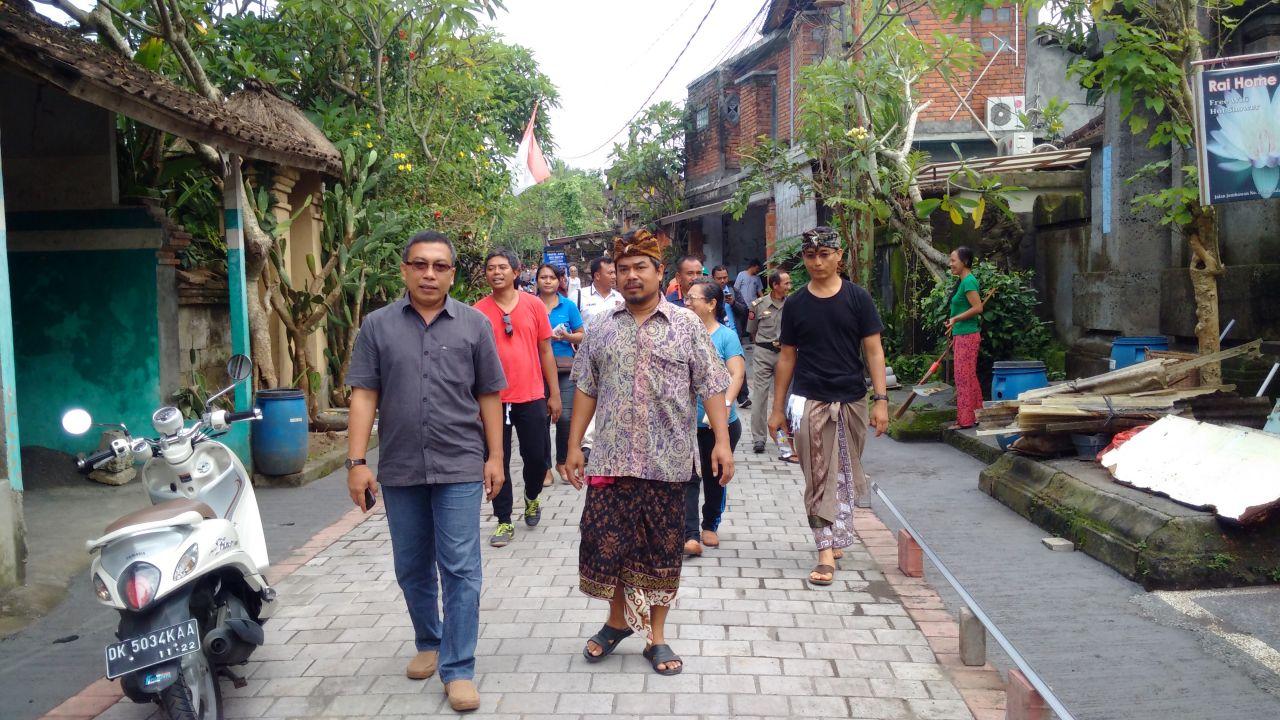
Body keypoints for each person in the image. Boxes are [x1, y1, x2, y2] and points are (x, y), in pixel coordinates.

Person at [345, 230, 506, 713]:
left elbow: (489, 395)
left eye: (439, 266)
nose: (429, 273)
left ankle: (457, 668)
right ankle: (429, 640)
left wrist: (495, 457)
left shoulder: (475, 326)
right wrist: (356, 463)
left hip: (459, 463)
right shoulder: (376, 327)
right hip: (400, 467)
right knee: (411, 565)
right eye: (420, 264)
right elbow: (364, 395)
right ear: (405, 270)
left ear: (453, 273)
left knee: (460, 567)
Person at [565, 228, 733, 677]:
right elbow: (586, 387)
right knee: (608, 544)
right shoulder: (601, 327)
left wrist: (721, 442)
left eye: (642, 267)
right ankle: (617, 622)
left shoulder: (686, 325)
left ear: (661, 273)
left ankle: (656, 638)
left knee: (662, 551)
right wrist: (573, 446)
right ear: (615, 277)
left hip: (668, 461)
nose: (632, 275)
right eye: (624, 269)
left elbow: (712, 385)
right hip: (611, 459)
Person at [767, 227, 889, 589]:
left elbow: (873, 351)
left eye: (824, 254)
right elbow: (787, 358)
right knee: (819, 476)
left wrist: (881, 401)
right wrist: (776, 410)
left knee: (845, 473)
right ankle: (823, 551)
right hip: (809, 400)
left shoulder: (858, 298)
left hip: (851, 400)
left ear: (839, 256)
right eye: (810, 256)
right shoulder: (796, 303)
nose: (817, 262)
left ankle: (835, 534)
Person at [473, 249, 562, 547]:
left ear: (516, 271)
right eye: (490, 268)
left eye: (502, 267)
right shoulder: (477, 311)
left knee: (536, 458)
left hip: (531, 394)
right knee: (496, 459)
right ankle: (503, 520)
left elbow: (546, 351)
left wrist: (555, 394)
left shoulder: (534, 305)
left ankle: (532, 496)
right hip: (492, 400)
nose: (496, 272)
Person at [682, 278, 745, 558]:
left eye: (694, 297)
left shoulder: (725, 336)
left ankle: (710, 524)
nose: (687, 301)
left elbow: (737, 374)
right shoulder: (679, 332)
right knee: (688, 478)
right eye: (687, 296)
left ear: (711, 304)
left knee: (713, 475)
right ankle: (690, 534)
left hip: (718, 424)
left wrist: (724, 404)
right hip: (684, 423)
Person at [536, 263, 585, 486]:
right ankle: (544, 467)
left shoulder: (568, 306)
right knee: (540, 421)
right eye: (543, 277)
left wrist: (565, 336)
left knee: (565, 417)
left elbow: (582, 335)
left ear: (559, 281)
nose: (547, 281)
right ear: (536, 280)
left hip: (564, 367)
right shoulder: (530, 305)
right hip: (535, 369)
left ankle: (563, 461)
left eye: (552, 278)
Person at [747, 270, 792, 456]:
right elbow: (752, 330)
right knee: (760, 395)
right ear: (775, 285)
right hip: (763, 352)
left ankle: (785, 437)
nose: (789, 286)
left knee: (786, 397)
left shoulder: (793, 305)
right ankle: (759, 438)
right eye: (786, 283)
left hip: (786, 354)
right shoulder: (758, 305)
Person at [946, 246, 984, 429]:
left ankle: (965, 420)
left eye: (954, 260)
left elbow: (978, 308)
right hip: (963, 334)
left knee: (962, 377)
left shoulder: (968, 281)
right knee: (969, 376)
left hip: (967, 335)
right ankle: (978, 414)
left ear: (965, 262)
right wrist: (954, 322)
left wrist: (956, 318)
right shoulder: (964, 281)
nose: (950, 264)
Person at [576, 256, 624, 320]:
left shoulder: (621, 298)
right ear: (597, 276)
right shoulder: (579, 296)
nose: (614, 276)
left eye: (614, 272)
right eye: (610, 273)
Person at [732, 258, 763, 336]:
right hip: (741, 305)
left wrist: (764, 300)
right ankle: (740, 339)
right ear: (753, 266)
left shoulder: (757, 278)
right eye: (757, 268)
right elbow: (736, 288)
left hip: (753, 305)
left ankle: (752, 340)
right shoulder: (741, 274)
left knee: (752, 323)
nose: (758, 270)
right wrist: (737, 301)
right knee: (740, 322)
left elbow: (760, 292)